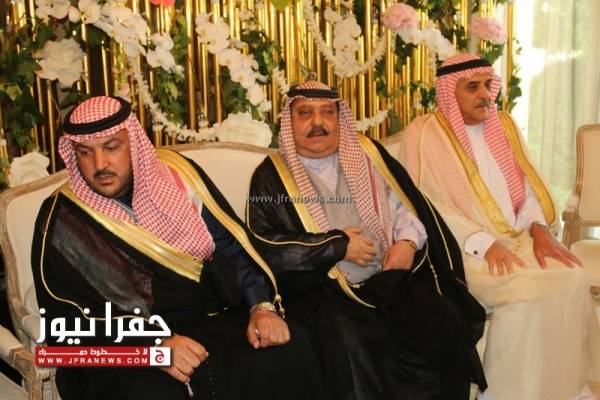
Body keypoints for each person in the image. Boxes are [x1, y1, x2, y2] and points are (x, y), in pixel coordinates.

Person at [32, 96, 323, 400]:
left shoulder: (177, 177)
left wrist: (260, 306)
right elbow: (66, 319)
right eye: (85, 152)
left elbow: (233, 248)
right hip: (118, 349)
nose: (100, 165)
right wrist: (154, 347)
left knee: (290, 348)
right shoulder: (63, 217)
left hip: (201, 321)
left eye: (112, 147)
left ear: (133, 143)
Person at [247, 80, 487, 400]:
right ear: (289, 121)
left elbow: (404, 208)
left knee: (442, 318)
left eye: (327, 112)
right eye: (305, 113)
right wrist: (336, 246)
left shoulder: (367, 157)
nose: (318, 123)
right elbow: (265, 246)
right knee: (347, 339)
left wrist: (406, 243)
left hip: (386, 281)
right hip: (323, 292)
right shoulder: (270, 176)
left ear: (339, 118)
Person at [398, 53, 600, 400]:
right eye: (472, 87)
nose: (484, 95)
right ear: (449, 91)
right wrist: (482, 242)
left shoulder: (503, 125)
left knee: (573, 276)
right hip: (462, 251)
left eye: (487, 85)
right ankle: (503, 394)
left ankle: (564, 390)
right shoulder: (424, 133)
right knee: (527, 290)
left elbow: (528, 188)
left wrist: (539, 230)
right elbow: (428, 205)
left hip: (519, 238)